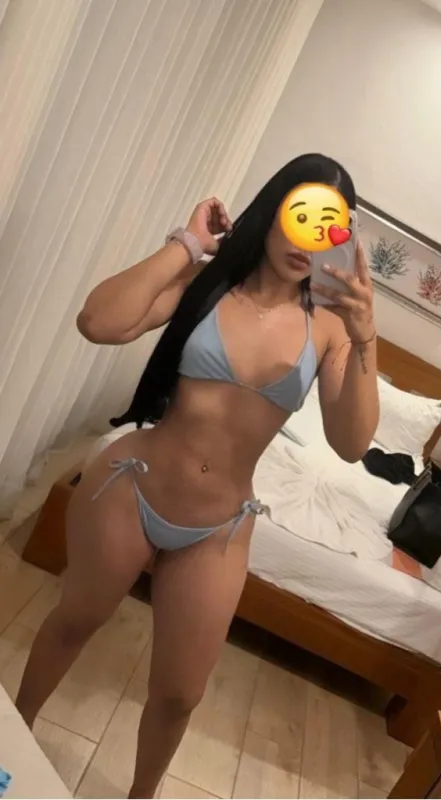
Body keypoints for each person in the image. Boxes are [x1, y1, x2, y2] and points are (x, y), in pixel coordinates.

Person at [15, 154, 379, 798]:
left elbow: (351, 445)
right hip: (132, 486)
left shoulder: (329, 327)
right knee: (75, 619)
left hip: (219, 526)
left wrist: (367, 334)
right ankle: (12, 738)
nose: (308, 239)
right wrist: (186, 245)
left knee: (180, 693)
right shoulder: (209, 285)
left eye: (327, 227)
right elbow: (98, 322)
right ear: (271, 214)